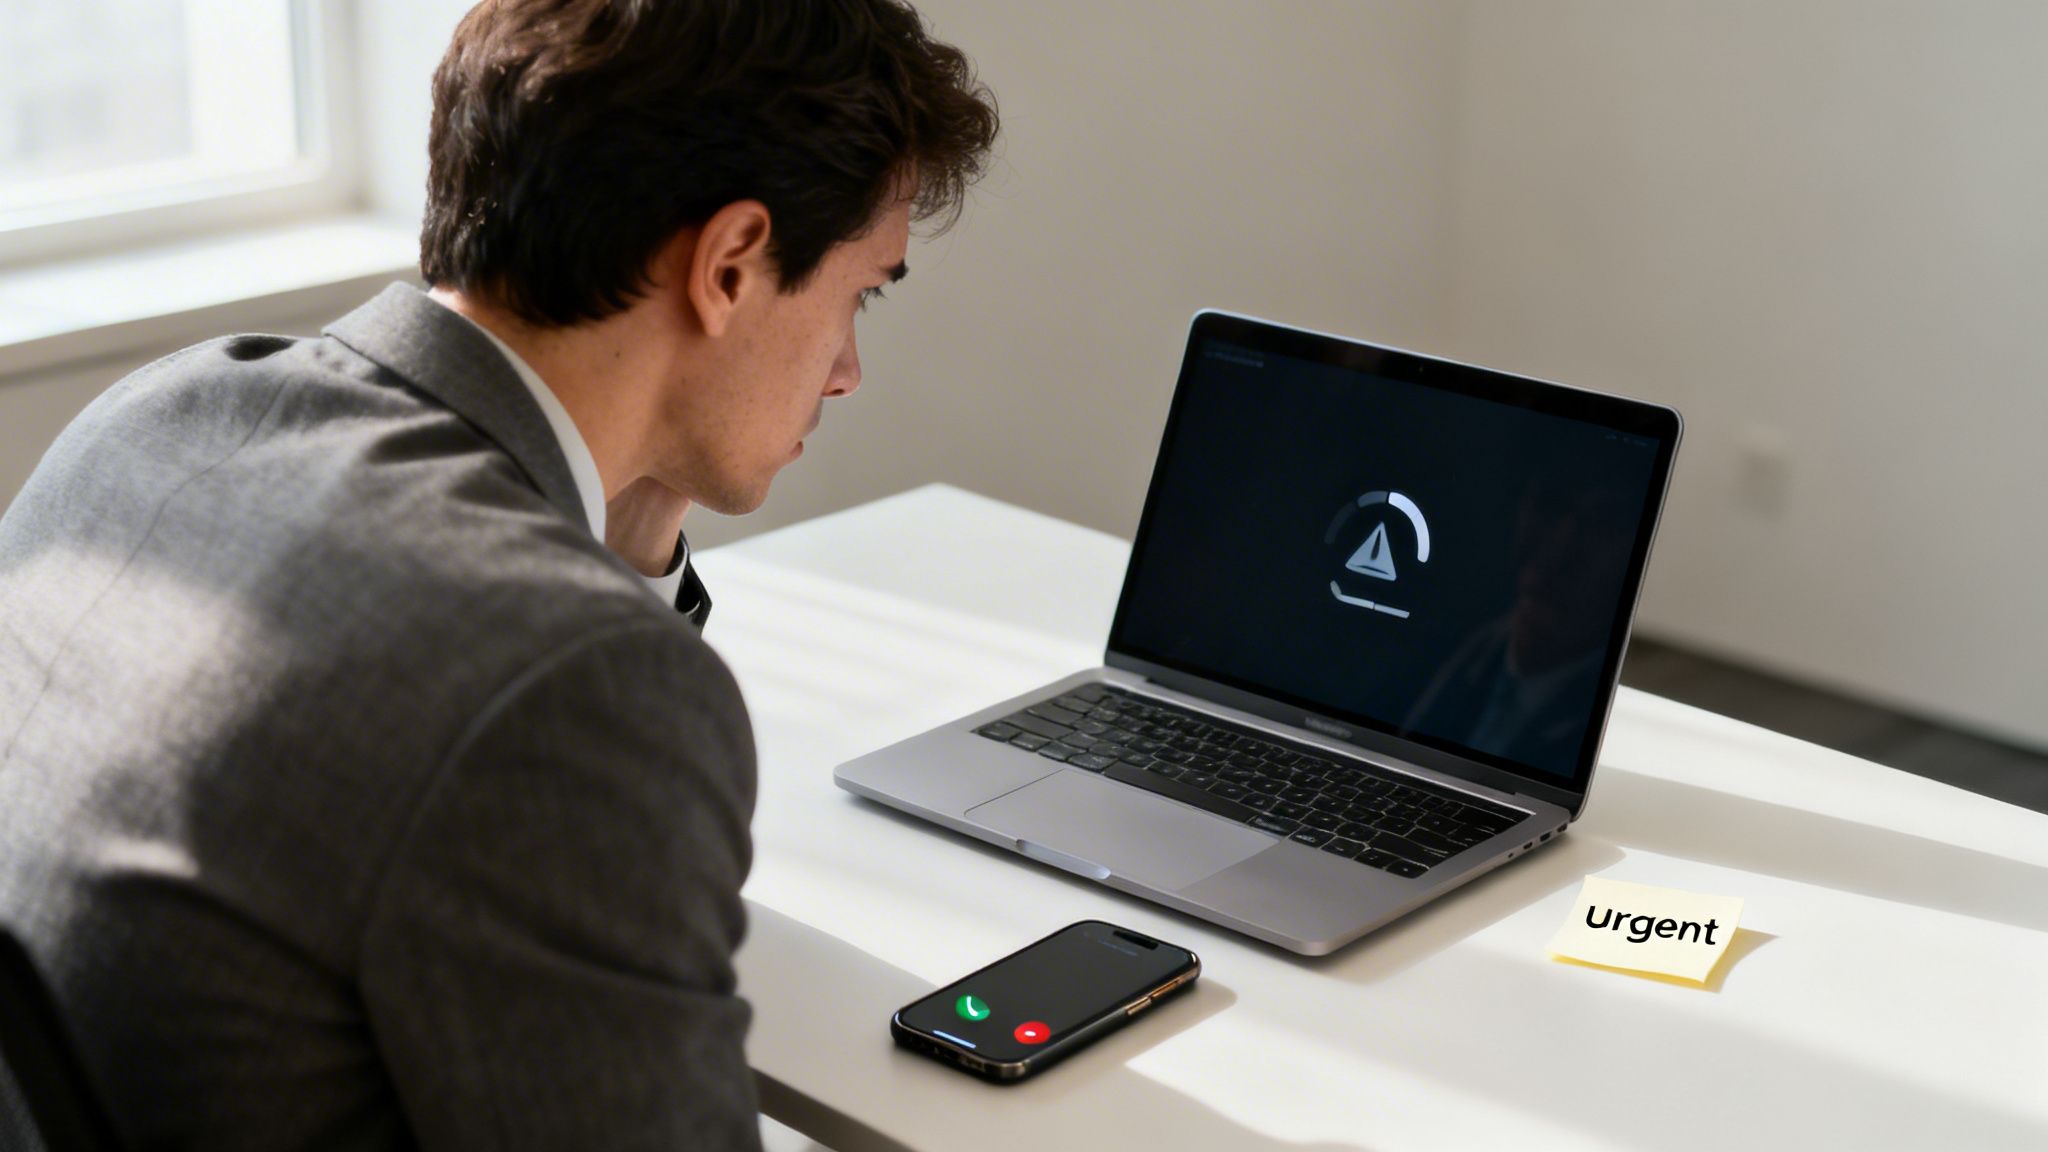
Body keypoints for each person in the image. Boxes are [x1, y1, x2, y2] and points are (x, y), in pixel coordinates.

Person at [0, 1, 997, 1147]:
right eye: (858, 293)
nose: (847, 371)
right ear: (728, 264)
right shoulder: (566, 681)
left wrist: (634, 498)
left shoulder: (160, 409)